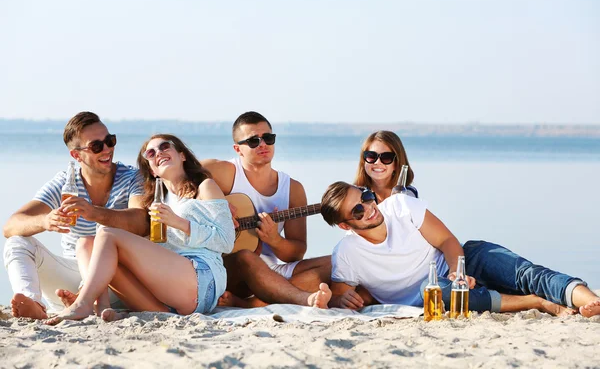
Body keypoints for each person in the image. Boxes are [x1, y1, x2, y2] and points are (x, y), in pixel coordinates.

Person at [320, 182, 600, 318]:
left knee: (526, 272)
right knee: (434, 291)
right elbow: (341, 296)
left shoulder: (400, 207)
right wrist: (341, 301)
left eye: (366, 197)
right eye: (358, 210)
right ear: (346, 226)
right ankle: (537, 302)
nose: (369, 208)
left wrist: (457, 272)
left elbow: (447, 241)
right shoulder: (347, 254)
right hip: (439, 292)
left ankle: (589, 301)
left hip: (466, 262)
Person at [46, 134, 240, 324]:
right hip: (165, 296)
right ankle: (102, 308)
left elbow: (226, 241)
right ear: (152, 170)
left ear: (182, 155)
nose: (158, 153)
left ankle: (83, 303)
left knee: (107, 233)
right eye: (151, 153)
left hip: (201, 279)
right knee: (86, 243)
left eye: (165, 147)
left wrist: (179, 222)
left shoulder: (205, 187)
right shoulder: (155, 202)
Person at [3, 112, 147, 320]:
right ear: (76, 155)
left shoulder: (132, 177)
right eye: (96, 146)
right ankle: (32, 304)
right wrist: (45, 221)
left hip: (117, 281)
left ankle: (85, 298)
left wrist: (94, 212)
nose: (107, 149)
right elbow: (11, 225)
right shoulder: (65, 183)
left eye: (110, 141)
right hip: (71, 272)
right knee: (17, 242)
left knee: (97, 239)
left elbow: (141, 221)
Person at [201, 111, 331, 307]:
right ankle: (298, 297)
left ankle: (254, 303)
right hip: (223, 267)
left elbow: (296, 254)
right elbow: (179, 178)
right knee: (246, 255)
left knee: (336, 262)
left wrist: (274, 239)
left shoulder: (293, 188)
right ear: (238, 149)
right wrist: (216, 201)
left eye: (268, 138)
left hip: (270, 270)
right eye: (253, 141)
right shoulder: (224, 172)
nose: (263, 144)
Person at [354, 130, 418, 203]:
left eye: (386, 157)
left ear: (397, 163)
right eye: (371, 156)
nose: (377, 162)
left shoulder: (408, 194)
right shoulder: (355, 195)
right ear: (363, 160)